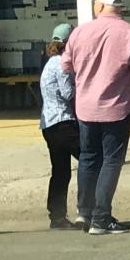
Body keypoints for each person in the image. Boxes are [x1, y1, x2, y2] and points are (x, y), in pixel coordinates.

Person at [64, 0, 130, 235]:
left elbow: (66, 65)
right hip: (117, 107)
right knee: (111, 160)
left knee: (88, 158)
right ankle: (101, 217)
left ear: (101, 6)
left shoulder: (80, 32)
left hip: (85, 107)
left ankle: (84, 211)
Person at [36, 23, 84, 230]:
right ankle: (90, 209)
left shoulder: (49, 63)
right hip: (63, 121)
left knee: (61, 170)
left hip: (49, 123)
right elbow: (68, 93)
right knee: (91, 160)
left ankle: (57, 215)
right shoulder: (62, 64)